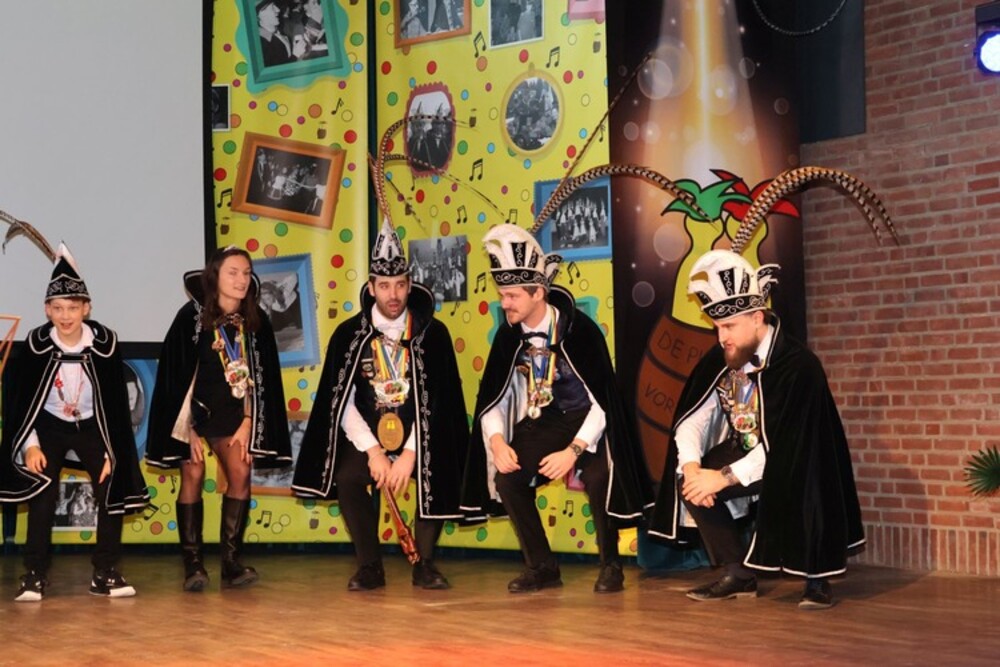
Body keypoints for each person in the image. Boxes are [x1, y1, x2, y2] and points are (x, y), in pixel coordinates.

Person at [648, 249, 865, 610]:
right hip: (745, 448)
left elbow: (790, 445)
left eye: (729, 327)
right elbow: (693, 419)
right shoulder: (722, 358)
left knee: (804, 475)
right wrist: (693, 468)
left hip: (796, 460)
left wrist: (724, 477)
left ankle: (815, 578)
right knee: (690, 478)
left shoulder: (799, 366)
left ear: (757, 317)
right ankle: (739, 574)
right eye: (717, 327)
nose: (721, 337)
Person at [461, 224, 652, 593]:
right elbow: (494, 398)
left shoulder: (581, 331)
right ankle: (542, 566)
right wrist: (497, 442)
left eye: (512, 296)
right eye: (502, 295)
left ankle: (611, 564)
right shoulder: (507, 337)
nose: (505, 304)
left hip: (589, 420)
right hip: (547, 418)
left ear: (538, 292)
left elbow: (603, 403)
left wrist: (573, 452)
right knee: (508, 479)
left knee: (599, 477)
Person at [293, 219, 469, 591]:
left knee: (434, 466)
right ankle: (370, 566)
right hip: (367, 436)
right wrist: (373, 451)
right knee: (348, 477)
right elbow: (340, 403)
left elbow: (440, 404)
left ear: (410, 285)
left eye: (400, 285)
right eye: (385, 286)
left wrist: (409, 454)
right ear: (371, 287)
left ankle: (425, 563)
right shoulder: (348, 335)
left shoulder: (433, 335)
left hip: (419, 436)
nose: (393, 295)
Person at [0, 244, 149, 601]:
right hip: (49, 426)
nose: (65, 316)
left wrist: (113, 450)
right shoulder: (37, 344)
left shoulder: (104, 344)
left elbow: (114, 402)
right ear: (47, 309)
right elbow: (23, 403)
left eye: (73, 308)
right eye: (58, 308)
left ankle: (105, 572)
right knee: (42, 493)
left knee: (111, 487)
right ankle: (34, 573)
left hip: (93, 426)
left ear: (87, 308)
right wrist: (31, 446)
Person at [147, 246, 292, 592]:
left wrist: (248, 421)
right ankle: (193, 564)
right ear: (215, 276)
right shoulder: (190, 318)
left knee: (240, 470)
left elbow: (263, 380)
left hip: (234, 416)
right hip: (194, 415)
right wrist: (187, 430)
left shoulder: (256, 321)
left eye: (246, 273)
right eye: (233, 272)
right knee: (193, 471)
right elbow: (175, 378)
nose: (241, 280)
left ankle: (230, 562)